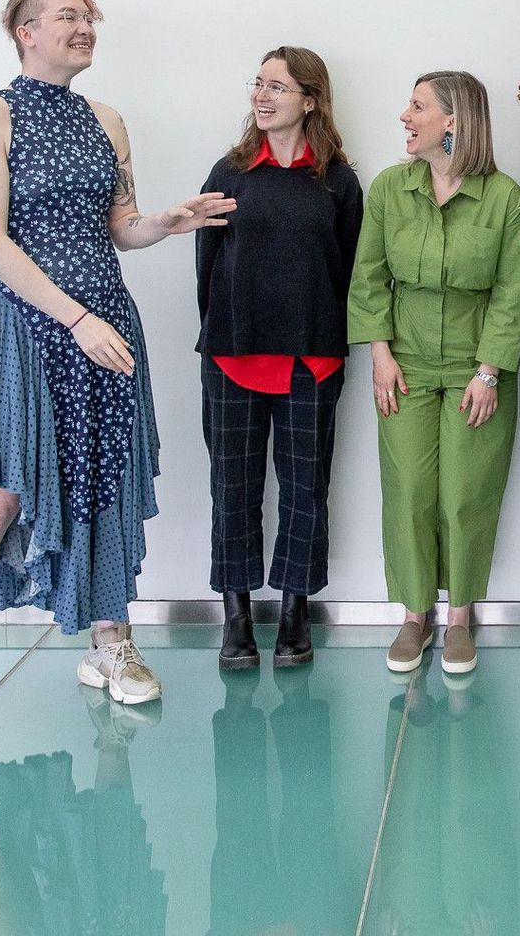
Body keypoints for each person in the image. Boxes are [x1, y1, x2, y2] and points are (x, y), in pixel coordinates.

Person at [0, 0, 235, 743]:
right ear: (25, 30)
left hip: (105, 324)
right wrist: (73, 316)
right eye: (67, 16)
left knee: (104, 482)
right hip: (26, 327)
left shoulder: (107, 120)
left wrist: (166, 222)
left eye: (88, 17)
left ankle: (109, 643)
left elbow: (119, 228)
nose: (84, 27)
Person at [348, 71, 520, 675]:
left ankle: (460, 616)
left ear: (453, 120)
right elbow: (369, 276)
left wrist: (488, 371)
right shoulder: (389, 189)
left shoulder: (504, 198)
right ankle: (414, 614)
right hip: (404, 362)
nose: (405, 115)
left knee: (464, 495)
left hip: (478, 368)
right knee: (407, 493)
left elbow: (512, 292)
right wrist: (377, 350)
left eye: (417, 106)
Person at [195, 47, 362, 670]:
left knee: (304, 491)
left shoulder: (339, 181)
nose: (262, 96)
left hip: (311, 363)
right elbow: (207, 267)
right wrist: (218, 334)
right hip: (234, 357)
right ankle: (235, 615)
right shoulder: (229, 172)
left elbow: (346, 270)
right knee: (231, 490)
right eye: (258, 84)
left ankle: (295, 611)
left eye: (278, 87)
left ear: (310, 99)